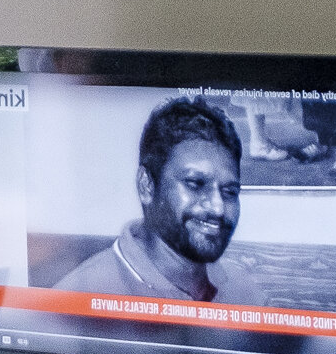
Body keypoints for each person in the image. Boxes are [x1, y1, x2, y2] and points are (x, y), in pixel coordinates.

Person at [55, 96, 274, 306]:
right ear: (146, 186)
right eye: (195, 183)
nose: (217, 207)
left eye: (229, 191)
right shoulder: (74, 300)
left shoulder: (245, 293)